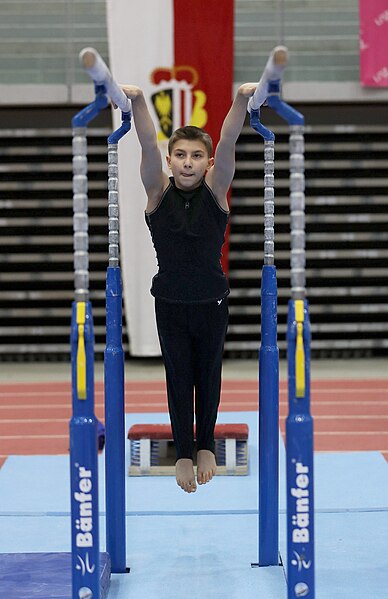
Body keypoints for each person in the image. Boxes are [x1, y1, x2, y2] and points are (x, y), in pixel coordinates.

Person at [120, 82, 258, 493]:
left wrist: (239, 99)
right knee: (178, 376)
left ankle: (205, 446)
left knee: (209, 373)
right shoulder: (156, 192)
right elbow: (145, 142)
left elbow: (230, 137)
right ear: (170, 160)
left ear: (208, 162)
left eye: (196, 156)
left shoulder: (217, 191)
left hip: (212, 302)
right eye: (180, 155)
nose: (187, 163)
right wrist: (139, 100)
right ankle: (183, 451)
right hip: (170, 302)